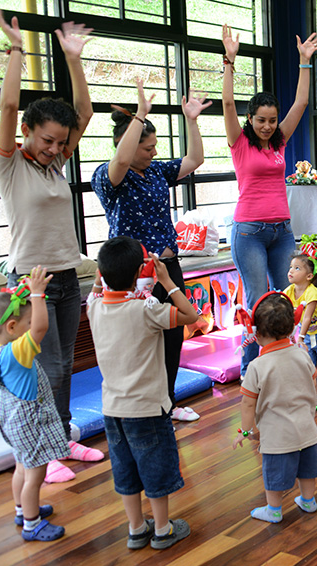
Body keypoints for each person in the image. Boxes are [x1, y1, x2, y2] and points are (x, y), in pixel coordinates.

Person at [0, 8, 103, 484]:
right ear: (26, 135)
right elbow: (9, 108)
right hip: (30, 280)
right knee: (41, 369)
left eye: (60, 143)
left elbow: (85, 114)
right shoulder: (11, 165)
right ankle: (42, 448)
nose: (55, 149)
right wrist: (16, 50)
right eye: (46, 141)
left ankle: (59, 436)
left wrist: (73, 58)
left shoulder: (54, 165)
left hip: (67, 274)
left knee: (64, 365)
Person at [91, 79, 212, 422]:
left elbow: (195, 158)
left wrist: (191, 119)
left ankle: (167, 402)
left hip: (167, 266)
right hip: (133, 273)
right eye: (147, 147)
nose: (154, 152)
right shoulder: (109, 176)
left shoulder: (157, 171)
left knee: (173, 335)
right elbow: (119, 164)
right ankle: (143, 407)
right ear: (126, 146)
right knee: (140, 340)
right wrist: (140, 116)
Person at [221, 24, 317, 377]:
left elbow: (302, 102)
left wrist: (304, 61)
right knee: (259, 299)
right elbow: (228, 102)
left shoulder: (278, 142)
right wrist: (229, 61)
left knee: (288, 296)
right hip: (249, 232)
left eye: (271, 120)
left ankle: (286, 361)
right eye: (260, 120)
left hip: (282, 232)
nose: (267, 126)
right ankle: (254, 366)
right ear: (250, 120)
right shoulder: (239, 143)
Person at [86, 236, 199, 549]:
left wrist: (101, 277)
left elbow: (96, 291)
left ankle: (136, 528)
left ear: (101, 273)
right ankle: (162, 529)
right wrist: (167, 281)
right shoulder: (146, 311)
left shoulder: (95, 308)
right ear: (140, 272)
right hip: (148, 409)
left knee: (125, 470)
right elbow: (192, 317)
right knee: (155, 469)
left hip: (112, 410)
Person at [0, 267, 69, 541]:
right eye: (27, 322)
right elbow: (43, 327)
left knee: (21, 467)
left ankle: (22, 510)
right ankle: (32, 524)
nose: (33, 326)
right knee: (35, 475)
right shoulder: (18, 351)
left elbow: (33, 325)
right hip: (30, 424)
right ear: (11, 328)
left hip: (12, 422)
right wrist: (38, 294)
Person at [232, 292, 317, 523]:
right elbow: (314, 380)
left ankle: (273, 509)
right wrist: (311, 407)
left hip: (276, 435)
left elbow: (247, 402)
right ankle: (308, 501)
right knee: (307, 469)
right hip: (306, 428)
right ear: (292, 327)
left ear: (257, 333)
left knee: (273, 473)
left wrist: (246, 430)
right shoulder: (302, 354)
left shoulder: (256, 366)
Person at [284, 239, 317, 404]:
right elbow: (283, 308)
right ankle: (308, 392)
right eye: (291, 267)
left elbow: (307, 316)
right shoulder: (289, 290)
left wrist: (300, 336)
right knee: (308, 364)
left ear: (309, 276)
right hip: (307, 335)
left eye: (297, 268)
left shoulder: (312, 293)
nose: (291, 271)